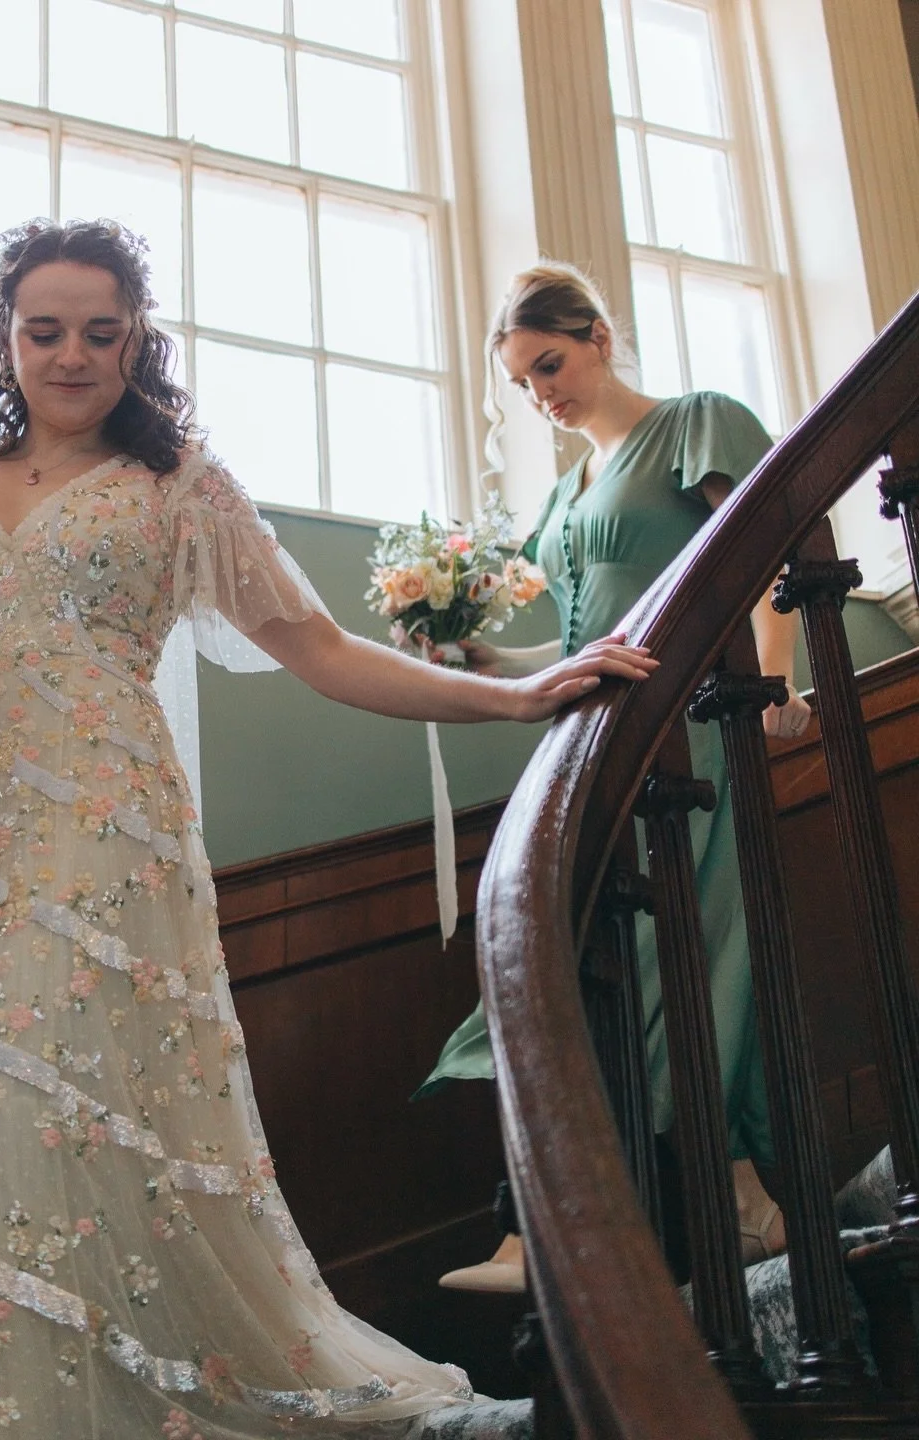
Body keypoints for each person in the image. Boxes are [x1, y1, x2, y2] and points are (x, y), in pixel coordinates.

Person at [0, 222, 655, 1438]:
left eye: (100, 332)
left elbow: (321, 649)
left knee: (57, 1111)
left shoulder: (185, 485)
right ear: (5, 339)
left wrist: (512, 695)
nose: (70, 355)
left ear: (138, 342)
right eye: (43, 330)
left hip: (101, 838)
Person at [422, 262, 811, 1294]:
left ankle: (628, 1210)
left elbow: (771, 554)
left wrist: (772, 688)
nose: (542, 394)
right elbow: (573, 644)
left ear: (597, 335)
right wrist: (478, 662)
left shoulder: (697, 422)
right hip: (591, 744)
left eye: (550, 363)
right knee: (591, 950)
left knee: (681, 952)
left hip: (697, 722)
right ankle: (724, 1192)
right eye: (522, 383)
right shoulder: (561, 496)